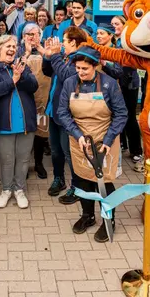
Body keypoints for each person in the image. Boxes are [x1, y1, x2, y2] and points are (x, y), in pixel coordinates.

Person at [56, 46, 127, 243]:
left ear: (95, 67)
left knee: (105, 182)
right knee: (83, 180)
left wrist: (108, 139)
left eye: (85, 69)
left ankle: (108, 220)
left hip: (105, 140)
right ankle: (87, 216)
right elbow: (62, 112)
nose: (80, 72)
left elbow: (122, 114)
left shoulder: (109, 84)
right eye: (78, 68)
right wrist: (77, 134)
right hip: (79, 141)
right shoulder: (70, 83)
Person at [0, 35, 39, 209]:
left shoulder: (21, 66)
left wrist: (21, 75)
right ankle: (6, 189)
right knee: (7, 160)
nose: (12, 49)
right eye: (8, 46)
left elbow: (34, 86)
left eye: (14, 46)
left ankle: (19, 189)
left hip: (25, 123)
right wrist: (12, 80)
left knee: (23, 159)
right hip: (3, 124)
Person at [42, 26, 87, 204]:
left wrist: (54, 55)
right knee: (55, 151)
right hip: (54, 111)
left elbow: (66, 76)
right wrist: (48, 56)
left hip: (67, 116)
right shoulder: (65, 57)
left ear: (74, 43)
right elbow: (48, 71)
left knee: (69, 153)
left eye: (65, 40)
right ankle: (59, 179)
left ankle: (77, 187)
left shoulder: (80, 60)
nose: (61, 43)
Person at [101, 20, 143, 165]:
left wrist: (107, 65)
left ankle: (136, 151)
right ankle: (123, 144)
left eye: (117, 24)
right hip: (119, 85)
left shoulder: (125, 44)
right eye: (112, 23)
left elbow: (124, 69)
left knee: (129, 116)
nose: (114, 26)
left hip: (129, 84)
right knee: (119, 115)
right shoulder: (109, 45)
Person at [18, 23, 50, 179]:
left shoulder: (46, 51)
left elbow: (53, 66)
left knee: (40, 135)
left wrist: (44, 51)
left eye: (35, 34)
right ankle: (23, 166)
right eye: (28, 34)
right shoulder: (17, 51)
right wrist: (26, 53)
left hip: (43, 100)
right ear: (23, 36)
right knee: (25, 135)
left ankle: (39, 163)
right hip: (25, 101)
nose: (32, 37)